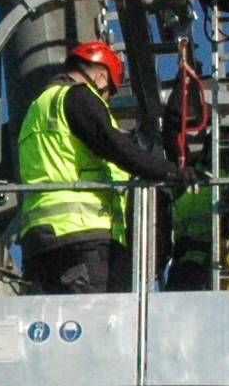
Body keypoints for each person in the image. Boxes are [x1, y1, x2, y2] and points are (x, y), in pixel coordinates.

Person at [16, 40, 198, 295]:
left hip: (41, 240)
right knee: (95, 325)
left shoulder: (39, 107)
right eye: (108, 93)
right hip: (83, 235)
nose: (106, 100)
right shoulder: (78, 97)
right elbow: (115, 145)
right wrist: (170, 172)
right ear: (101, 77)